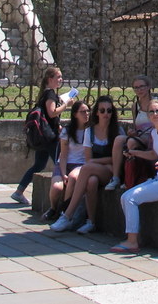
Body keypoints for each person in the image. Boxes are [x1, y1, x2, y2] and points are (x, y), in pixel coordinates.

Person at [109, 96, 158, 254]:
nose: (155, 114)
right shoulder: (154, 133)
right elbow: (153, 154)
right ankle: (134, 237)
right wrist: (134, 152)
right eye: (151, 111)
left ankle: (132, 241)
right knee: (125, 197)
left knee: (130, 198)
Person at [50, 95, 119, 234]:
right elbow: (88, 158)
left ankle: (67, 215)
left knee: (86, 168)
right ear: (97, 112)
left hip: (109, 171)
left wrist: (97, 161)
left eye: (109, 110)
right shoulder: (90, 131)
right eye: (102, 110)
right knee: (91, 181)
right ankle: (90, 222)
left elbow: (116, 160)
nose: (106, 114)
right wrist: (97, 162)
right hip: (94, 170)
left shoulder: (117, 131)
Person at [12, 65, 74, 205]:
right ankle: (66, 196)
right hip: (49, 138)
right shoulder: (50, 94)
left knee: (39, 165)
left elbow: (47, 116)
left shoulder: (45, 94)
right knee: (61, 163)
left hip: (43, 136)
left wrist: (57, 125)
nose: (61, 79)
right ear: (50, 79)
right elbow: (52, 113)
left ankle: (19, 192)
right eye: (58, 77)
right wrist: (66, 105)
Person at [105, 76, 155, 191]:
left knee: (131, 143)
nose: (139, 90)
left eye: (141, 86)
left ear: (148, 87)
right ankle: (116, 177)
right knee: (119, 139)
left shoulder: (155, 104)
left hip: (153, 138)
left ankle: (131, 177)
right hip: (140, 138)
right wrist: (132, 132)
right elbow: (136, 126)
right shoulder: (135, 106)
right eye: (136, 88)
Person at [44, 99, 90, 222]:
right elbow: (63, 155)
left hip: (80, 165)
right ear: (75, 114)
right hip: (64, 164)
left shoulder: (90, 130)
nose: (86, 114)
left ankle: (64, 211)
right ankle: (53, 208)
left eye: (88, 111)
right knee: (57, 188)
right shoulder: (67, 131)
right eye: (83, 112)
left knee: (72, 179)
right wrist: (63, 173)